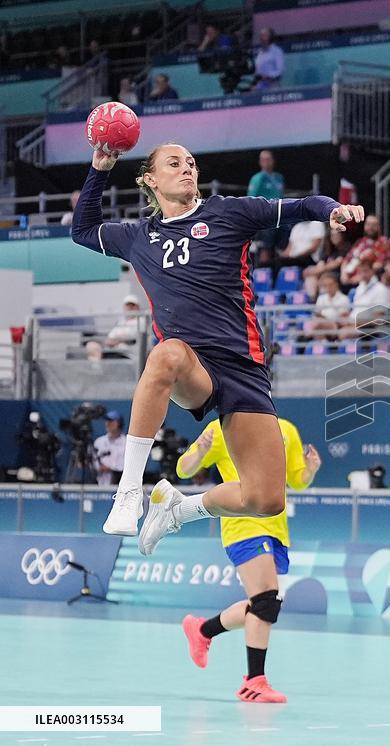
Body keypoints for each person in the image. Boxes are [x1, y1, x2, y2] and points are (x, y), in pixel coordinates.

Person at [70, 142, 363, 554]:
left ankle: (176, 511)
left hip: (244, 368)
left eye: (191, 162)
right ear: (150, 180)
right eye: (174, 164)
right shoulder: (138, 237)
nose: (187, 168)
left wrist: (332, 209)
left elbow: (301, 206)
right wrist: (99, 169)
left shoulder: (229, 213)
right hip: (193, 366)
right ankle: (129, 491)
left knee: (265, 498)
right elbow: (82, 230)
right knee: (167, 354)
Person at [178, 415, 321, 703]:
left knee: (265, 606)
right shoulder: (222, 426)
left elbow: (296, 481)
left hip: (277, 527)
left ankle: (202, 630)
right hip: (242, 523)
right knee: (266, 601)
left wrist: (311, 470)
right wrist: (201, 452)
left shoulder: (287, 429)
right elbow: (184, 469)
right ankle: (254, 682)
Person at [248, 150, 287, 264]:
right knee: (266, 246)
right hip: (264, 217)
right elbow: (251, 198)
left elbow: (281, 196)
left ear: (273, 161)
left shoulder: (279, 177)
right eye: (263, 160)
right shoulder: (257, 178)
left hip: (279, 215)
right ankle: (263, 272)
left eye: (268, 159)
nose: (266, 162)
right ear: (260, 162)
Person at [339, 258, 390, 339]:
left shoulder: (380, 289)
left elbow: (378, 319)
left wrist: (356, 323)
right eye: (360, 272)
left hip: (370, 328)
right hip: (354, 323)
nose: (363, 274)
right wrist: (348, 317)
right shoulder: (360, 288)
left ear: (372, 271)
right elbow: (356, 310)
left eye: (365, 271)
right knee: (329, 327)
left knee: (343, 333)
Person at [85, 294, 143, 362]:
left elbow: (131, 337)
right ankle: (95, 369)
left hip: (128, 355)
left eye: (132, 305)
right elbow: (110, 338)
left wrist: (116, 341)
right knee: (92, 345)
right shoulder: (121, 322)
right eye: (127, 305)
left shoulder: (141, 321)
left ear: (138, 307)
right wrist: (115, 341)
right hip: (114, 351)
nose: (130, 308)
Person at [340, 215, 390, 287]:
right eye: (368, 224)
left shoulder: (384, 242)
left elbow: (378, 265)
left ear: (379, 227)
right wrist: (343, 273)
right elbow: (346, 259)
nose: (370, 227)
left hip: (367, 280)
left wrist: (360, 277)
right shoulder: (360, 242)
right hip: (349, 278)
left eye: (374, 225)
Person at [302, 230, 350, 299]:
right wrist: (314, 271)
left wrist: (315, 271)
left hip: (338, 273)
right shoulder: (328, 248)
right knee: (311, 277)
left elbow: (336, 263)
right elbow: (321, 263)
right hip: (324, 272)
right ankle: (312, 300)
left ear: (342, 235)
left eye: (337, 235)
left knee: (324, 277)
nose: (335, 237)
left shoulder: (346, 247)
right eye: (332, 235)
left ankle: (325, 303)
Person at [93, 410, 126, 487]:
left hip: (120, 484)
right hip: (100, 483)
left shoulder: (126, 442)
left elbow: (125, 466)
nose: (108, 424)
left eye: (111, 421)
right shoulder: (99, 441)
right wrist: (99, 467)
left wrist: (111, 468)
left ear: (119, 423)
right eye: (107, 421)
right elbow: (94, 462)